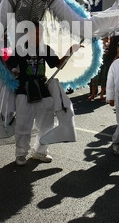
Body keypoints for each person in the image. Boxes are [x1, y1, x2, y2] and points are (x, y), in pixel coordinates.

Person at [6, 22, 80, 166]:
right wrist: (12, 71)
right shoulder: (20, 48)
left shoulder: (45, 49)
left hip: (42, 90)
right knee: (23, 124)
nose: (38, 36)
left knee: (47, 124)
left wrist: (70, 51)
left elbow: (57, 64)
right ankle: (21, 154)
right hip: (24, 90)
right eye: (35, 33)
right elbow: (8, 64)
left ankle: (40, 151)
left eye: (41, 33)